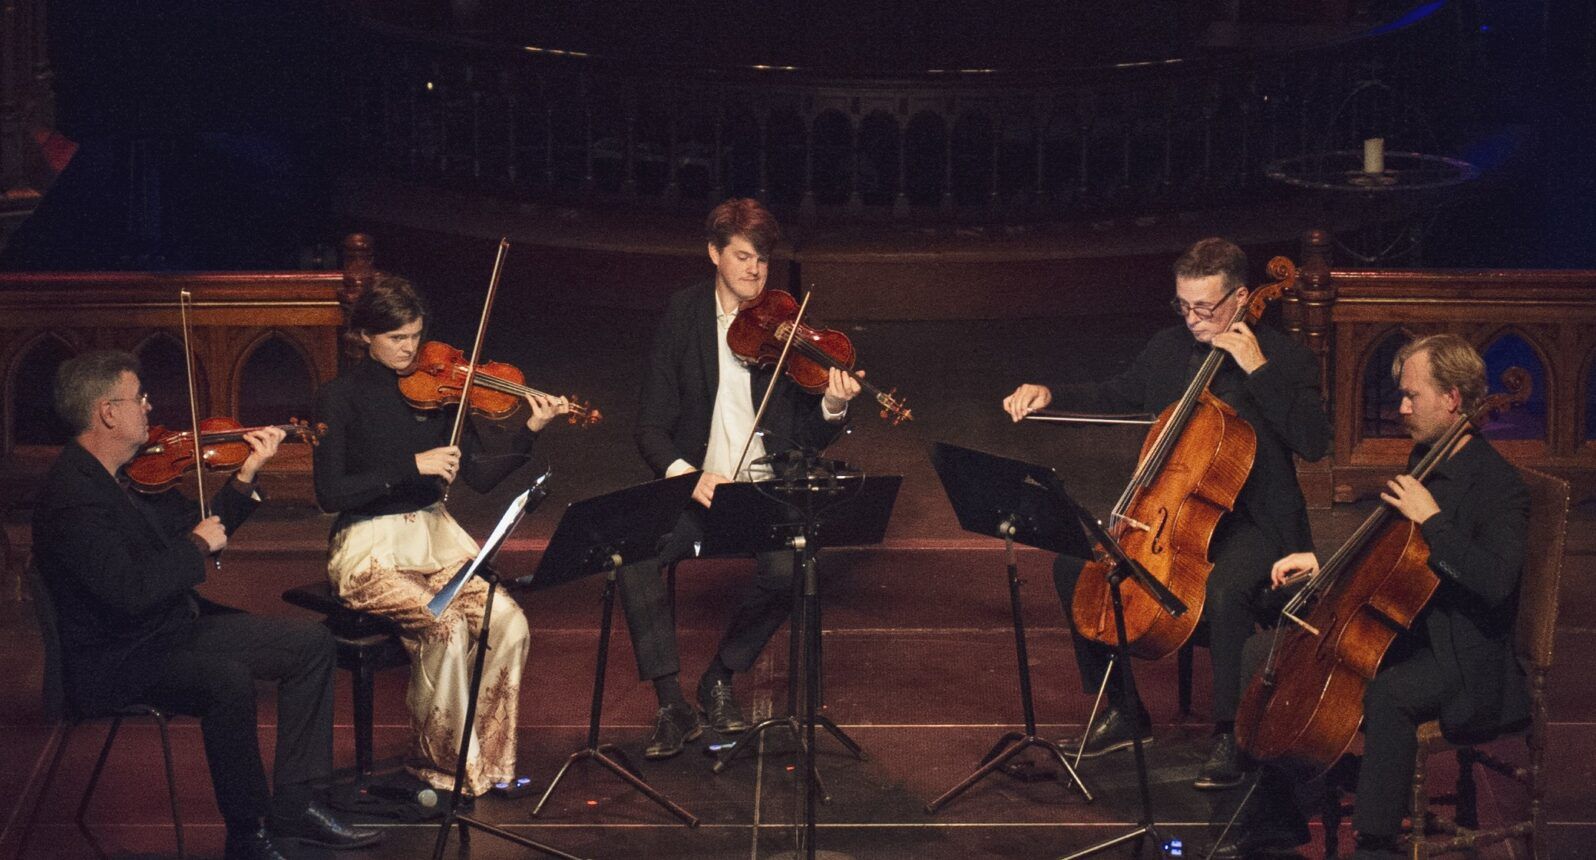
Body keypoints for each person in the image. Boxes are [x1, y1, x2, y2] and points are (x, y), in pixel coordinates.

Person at [1001, 237, 1332, 790]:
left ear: (1243, 297)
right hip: (1173, 517)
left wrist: (1256, 369)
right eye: (1184, 306)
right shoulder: (1169, 347)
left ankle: (1229, 732)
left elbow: (1314, 441)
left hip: (1255, 523)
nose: (1194, 319)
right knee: (1075, 568)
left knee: (1225, 592)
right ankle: (1127, 712)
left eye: (1206, 307)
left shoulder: (1285, 358)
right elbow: (1119, 392)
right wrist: (1050, 393)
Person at [32, 351, 380, 860]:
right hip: (116, 659)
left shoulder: (124, 476)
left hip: (165, 630)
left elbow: (202, 530)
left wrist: (246, 476)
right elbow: (130, 591)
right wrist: (193, 546)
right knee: (226, 681)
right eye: (139, 398)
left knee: (309, 642)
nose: (149, 407)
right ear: (108, 411)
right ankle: (247, 835)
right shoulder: (73, 496)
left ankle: (294, 806)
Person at [1214, 334, 1531, 859]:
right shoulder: (1424, 455)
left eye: (1413, 397)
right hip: (1407, 625)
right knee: (1264, 652)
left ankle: (1376, 842)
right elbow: (1391, 553)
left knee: (1389, 693)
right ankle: (1281, 812)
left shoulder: (1498, 485)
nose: (1401, 408)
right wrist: (1326, 564)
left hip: (1460, 648)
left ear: (1453, 398)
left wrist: (1433, 519)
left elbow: (1495, 582)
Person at [619, 197, 863, 759]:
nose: (754, 271)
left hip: (759, 488)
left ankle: (721, 677)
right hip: (695, 487)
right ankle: (671, 706)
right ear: (714, 254)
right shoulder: (682, 316)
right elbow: (651, 426)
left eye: (762, 261)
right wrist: (687, 476)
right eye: (743, 257)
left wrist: (829, 405)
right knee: (631, 557)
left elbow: (804, 439)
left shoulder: (785, 328)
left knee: (792, 564)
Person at [313, 276, 566, 796]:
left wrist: (529, 432)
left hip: (434, 540)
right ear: (364, 336)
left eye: (415, 335)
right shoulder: (337, 398)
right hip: (369, 547)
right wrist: (412, 467)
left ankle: (490, 765)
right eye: (397, 339)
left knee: (508, 620)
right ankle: (438, 766)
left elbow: (477, 474)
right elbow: (331, 492)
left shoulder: (442, 391)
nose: (411, 350)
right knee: (444, 626)